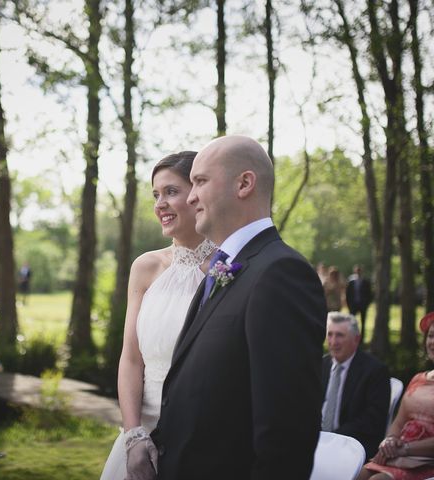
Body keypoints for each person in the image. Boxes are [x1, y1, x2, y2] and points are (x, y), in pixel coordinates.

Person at [150, 135, 327, 480]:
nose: (190, 196)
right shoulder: (223, 268)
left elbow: (285, 435)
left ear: (244, 183)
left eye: (200, 181)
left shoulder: (281, 273)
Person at [100, 151, 216, 480]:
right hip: (142, 429)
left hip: (202, 436)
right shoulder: (146, 268)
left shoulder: (229, 269)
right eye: (155, 195)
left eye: (171, 192)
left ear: (198, 195)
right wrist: (133, 435)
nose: (160, 204)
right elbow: (131, 359)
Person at [357, 311, 434, 480]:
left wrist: (406, 448)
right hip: (401, 454)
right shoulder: (418, 379)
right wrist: (389, 441)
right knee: (357, 474)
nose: (432, 342)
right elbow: (399, 422)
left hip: (426, 462)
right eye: (430, 336)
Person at [322, 312, 389, 459]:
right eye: (330, 334)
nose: (333, 342)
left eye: (340, 335)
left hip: (352, 447)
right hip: (316, 442)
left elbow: (373, 419)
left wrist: (332, 437)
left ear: (356, 339)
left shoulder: (375, 371)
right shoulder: (321, 365)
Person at [346, 265, 373, 343]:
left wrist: (367, 303)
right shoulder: (351, 281)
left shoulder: (366, 281)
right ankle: (352, 337)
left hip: (363, 305)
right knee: (352, 322)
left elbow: (369, 294)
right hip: (353, 305)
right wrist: (349, 304)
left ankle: (362, 339)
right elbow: (348, 294)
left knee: (363, 322)